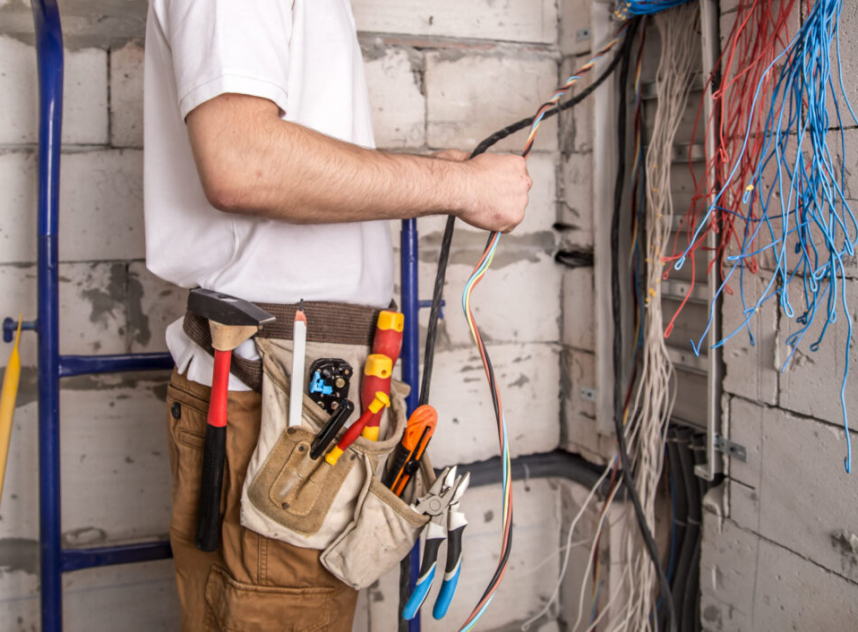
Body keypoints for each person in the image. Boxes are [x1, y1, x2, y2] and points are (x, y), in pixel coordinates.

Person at [143, 0, 532, 629]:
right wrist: (461, 188)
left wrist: (433, 176)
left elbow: (281, 157)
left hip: (307, 396)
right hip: (273, 399)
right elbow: (244, 164)